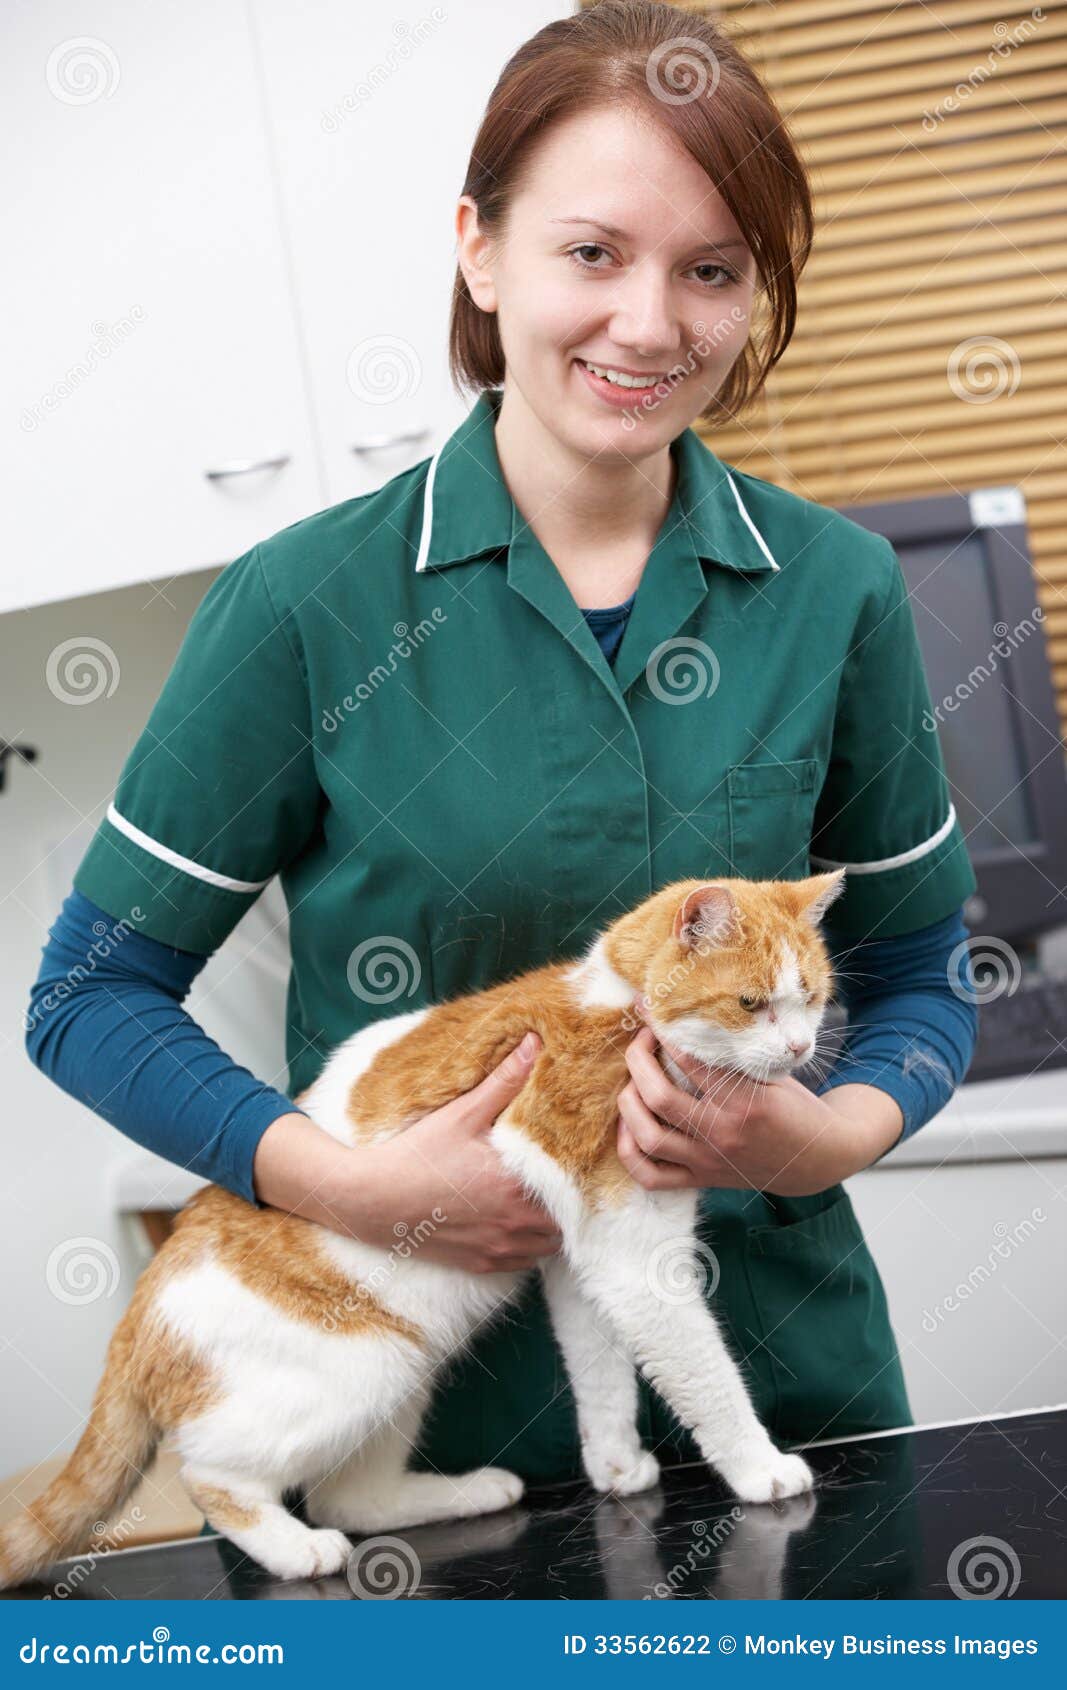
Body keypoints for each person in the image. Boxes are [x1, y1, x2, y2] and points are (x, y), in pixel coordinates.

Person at [26, 1, 977, 1498]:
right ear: (480, 248)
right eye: (592, 252)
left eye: (711, 270)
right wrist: (339, 1181)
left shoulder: (838, 590)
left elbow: (929, 973)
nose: (651, 324)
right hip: (434, 1428)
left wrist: (825, 1138)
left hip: (798, 1385)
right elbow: (88, 996)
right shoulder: (305, 603)